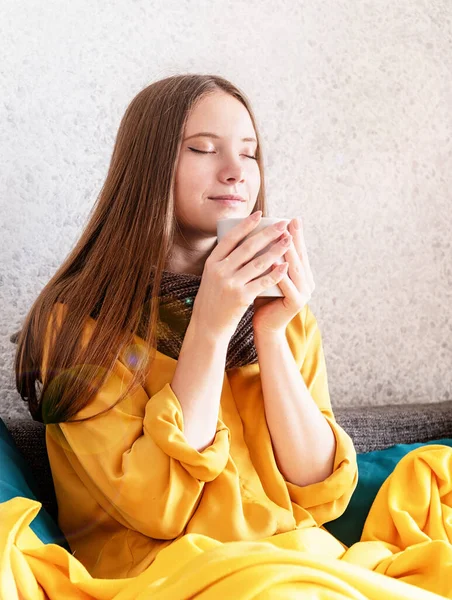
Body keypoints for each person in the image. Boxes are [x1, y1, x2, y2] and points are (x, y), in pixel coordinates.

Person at [7, 74, 452, 599]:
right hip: (168, 575)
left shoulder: (283, 313)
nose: (236, 171)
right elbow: (159, 509)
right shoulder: (77, 326)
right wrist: (212, 326)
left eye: (251, 152)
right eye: (202, 148)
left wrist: (269, 331)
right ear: (147, 168)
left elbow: (319, 492)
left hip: (303, 560)